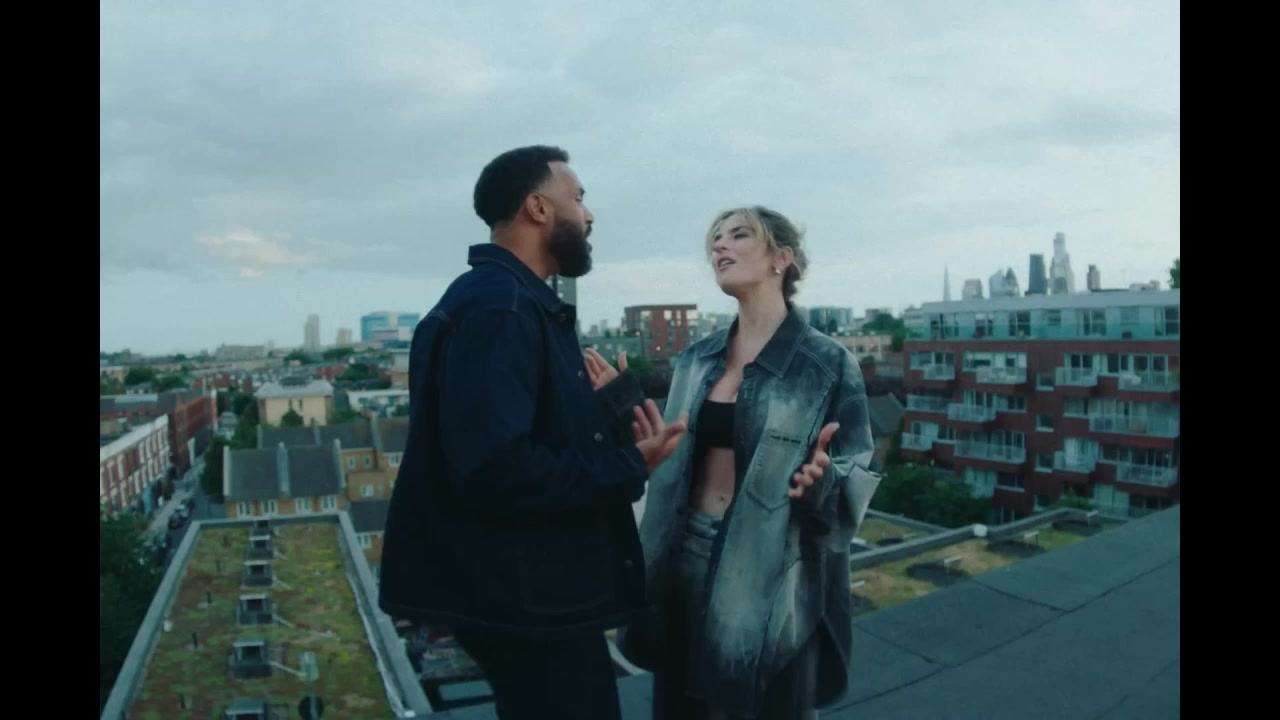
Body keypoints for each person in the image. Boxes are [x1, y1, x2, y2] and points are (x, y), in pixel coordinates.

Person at [379, 145, 689, 720]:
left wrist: (616, 418)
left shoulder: (511, 304)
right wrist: (632, 464)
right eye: (579, 198)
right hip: (526, 602)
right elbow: (498, 469)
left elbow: (535, 436)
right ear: (538, 208)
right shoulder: (502, 311)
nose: (589, 216)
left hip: (529, 594)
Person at [617, 206, 882, 719]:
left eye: (738, 235)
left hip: (771, 575)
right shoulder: (696, 359)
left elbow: (856, 476)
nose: (719, 246)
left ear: (782, 258)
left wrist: (822, 482)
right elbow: (666, 453)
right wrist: (619, 402)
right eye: (715, 239)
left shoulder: (827, 364)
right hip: (681, 562)